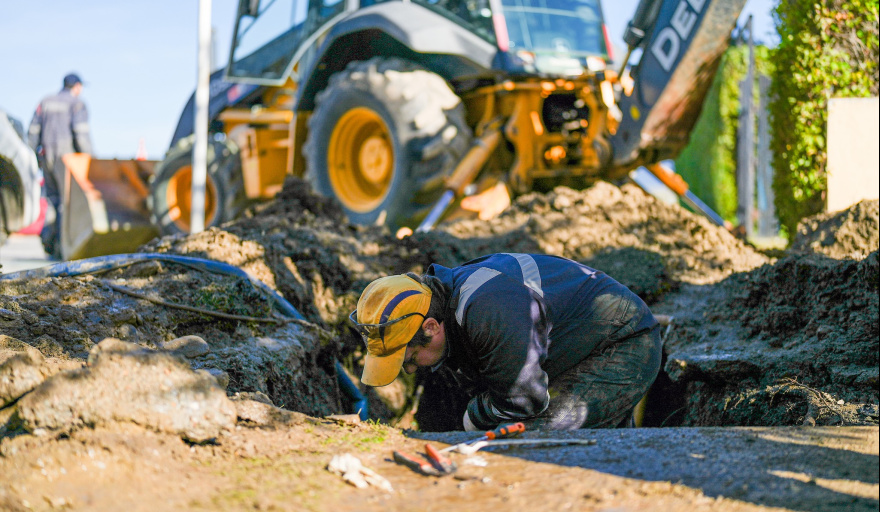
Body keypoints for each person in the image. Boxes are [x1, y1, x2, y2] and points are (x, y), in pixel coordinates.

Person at [350, 253, 662, 431]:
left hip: (623, 341)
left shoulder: (487, 312)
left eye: (409, 358)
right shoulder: (444, 303)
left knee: (539, 435)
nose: (409, 369)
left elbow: (522, 401)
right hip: (575, 347)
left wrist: (470, 420)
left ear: (431, 328)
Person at [28, 73, 93, 259]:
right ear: (77, 87)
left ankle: (49, 244)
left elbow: (33, 132)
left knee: (51, 201)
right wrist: (90, 161)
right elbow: (81, 134)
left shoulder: (45, 101)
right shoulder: (77, 104)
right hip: (68, 160)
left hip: (46, 157)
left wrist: (33, 156)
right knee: (67, 203)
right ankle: (64, 249)